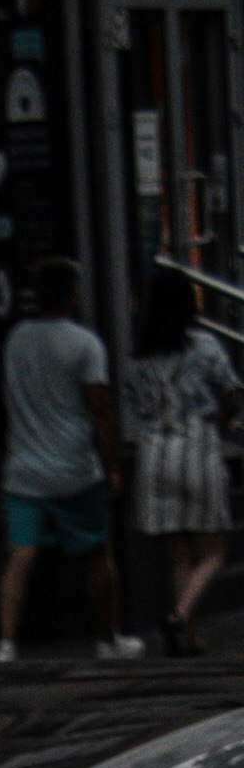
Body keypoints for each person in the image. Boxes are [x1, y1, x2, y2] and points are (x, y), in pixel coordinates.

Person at [0, 256, 147, 661]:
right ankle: (108, 638)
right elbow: (101, 407)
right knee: (97, 552)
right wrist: (111, 464)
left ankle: (7, 642)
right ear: (72, 294)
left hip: (23, 470)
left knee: (21, 553)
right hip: (75, 468)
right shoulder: (85, 344)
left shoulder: (13, 340)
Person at [126, 261, 239, 651]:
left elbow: (137, 407)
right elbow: (230, 392)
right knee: (213, 551)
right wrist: (225, 422)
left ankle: (187, 635)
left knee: (180, 554)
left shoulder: (137, 357)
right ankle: (177, 617)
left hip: (154, 454)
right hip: (197, 447)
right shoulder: (204, 347)